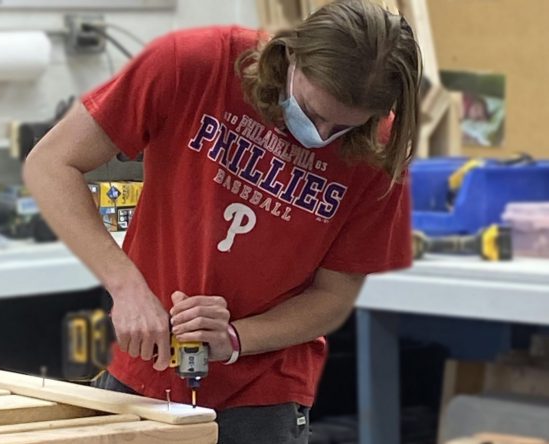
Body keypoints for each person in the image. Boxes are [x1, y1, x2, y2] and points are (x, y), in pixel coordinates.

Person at [24, 0, 421, 442]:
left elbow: (333, 297)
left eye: (343, 127)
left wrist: (235, 338)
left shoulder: (379, 152)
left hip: (264, 393)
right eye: (313, 112)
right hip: (143, 371)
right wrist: (128, 289)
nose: (321, 135)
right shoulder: (196, 64)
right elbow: (51, 164)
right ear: (290, 56)